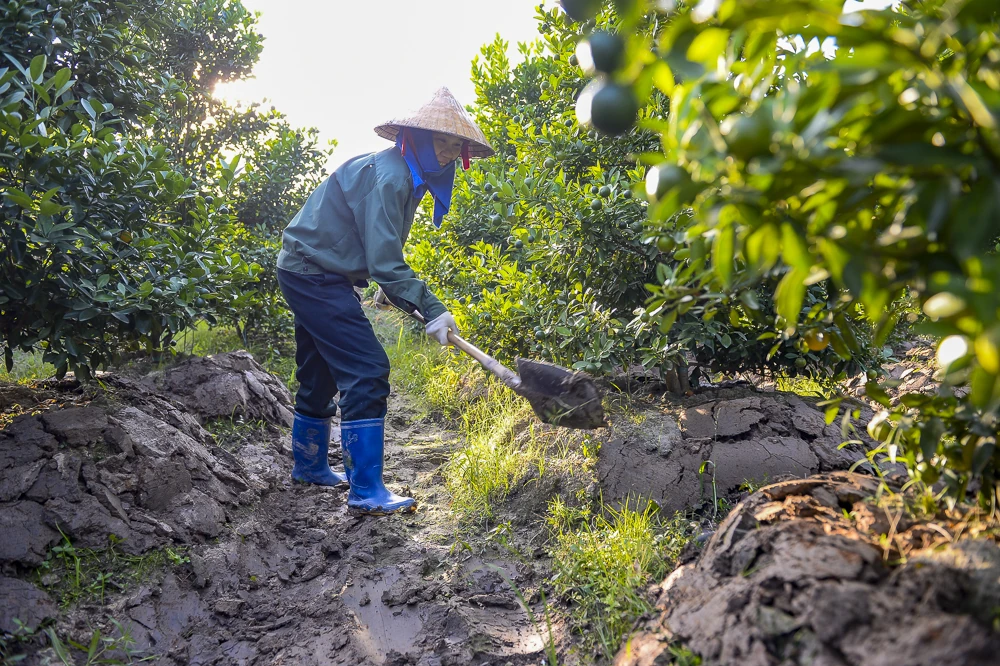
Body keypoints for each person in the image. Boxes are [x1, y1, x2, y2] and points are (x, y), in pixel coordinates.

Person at [275, 88, 494, 515]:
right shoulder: (393, 176)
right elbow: (387, 262)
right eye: (441, 141)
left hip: (309, 268)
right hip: (315, 274)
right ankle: (366, 490)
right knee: (368, 369)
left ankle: (310, 466)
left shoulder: (401, 169)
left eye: (456, 144)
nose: (449, 152)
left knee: (319, 370)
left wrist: (380, 279)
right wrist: (432, 307)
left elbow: (374, 246)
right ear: (416, 137)